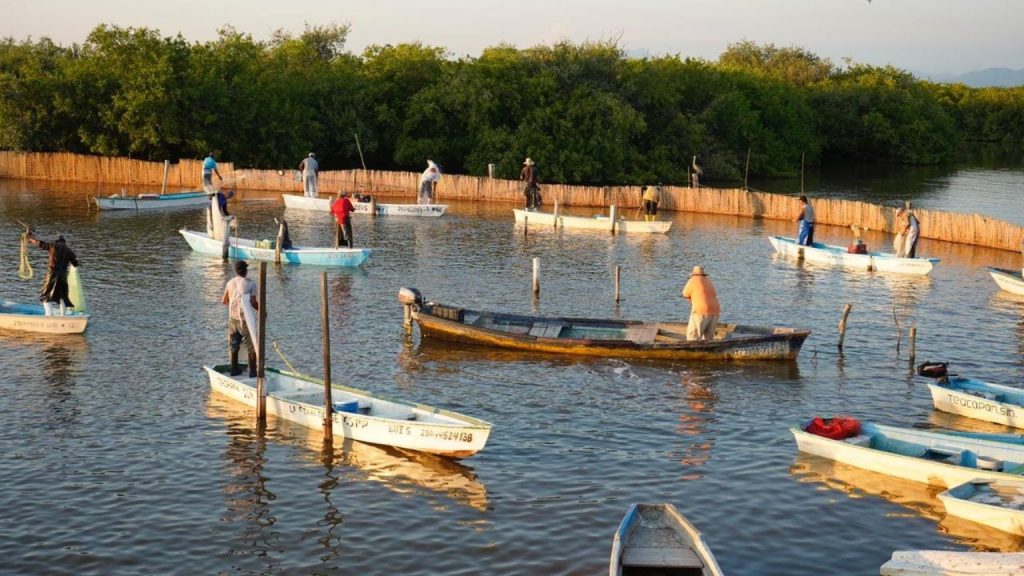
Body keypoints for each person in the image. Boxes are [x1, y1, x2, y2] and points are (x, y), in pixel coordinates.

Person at [221, 260, 259, 377]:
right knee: (251, 344)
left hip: (233, 319)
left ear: (236, 271)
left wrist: (234, 300)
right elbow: (253, 302)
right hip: (245, 319)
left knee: (234, 345)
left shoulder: (229, 283)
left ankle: (234, 369)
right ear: (246, 271)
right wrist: (261, 311)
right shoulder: (251, 284)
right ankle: (253, 371)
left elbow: (224, 301)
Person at [27, 233, 79, 316]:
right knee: (63, 297)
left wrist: (30, 239)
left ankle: (49, 315)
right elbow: (75, 264)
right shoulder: (69, 251)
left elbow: (40, 243)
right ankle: (63, 316)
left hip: (52, 275)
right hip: (62, 276)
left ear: (57, 242)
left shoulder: (53, 246)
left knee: (45, 296)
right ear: (64, 243)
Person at [682, 265, 720, 341]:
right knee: (708, 339)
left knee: (693, 337)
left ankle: (692, 351)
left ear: (693, 274)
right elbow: (714, 294)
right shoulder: (708, 281)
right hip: (715, 310)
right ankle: (708, 351)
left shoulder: (693, 280)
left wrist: (692, 302)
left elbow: (685, 294)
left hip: (700, 311)